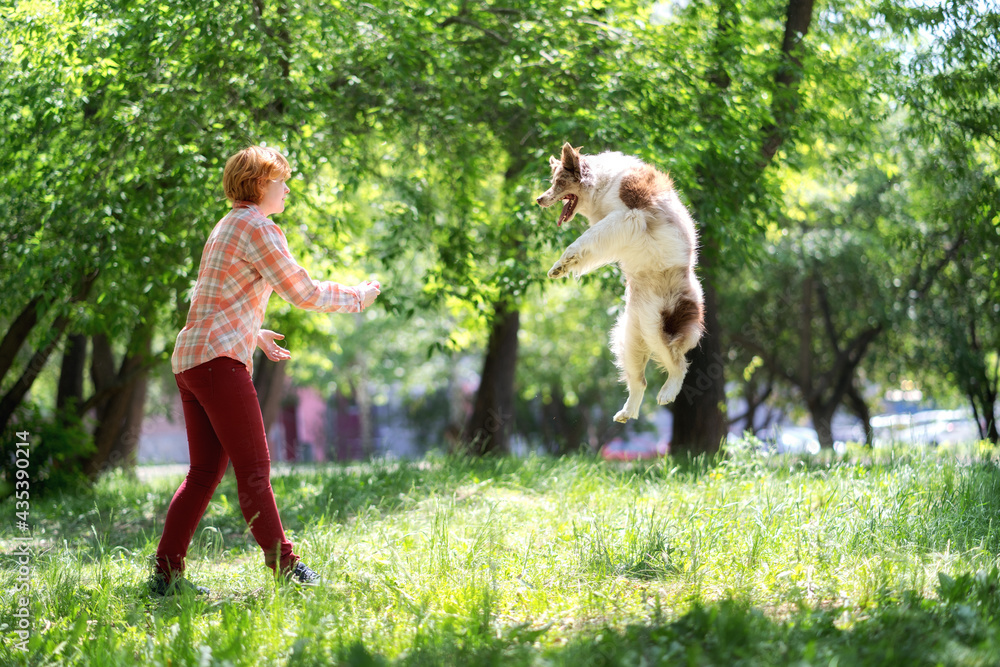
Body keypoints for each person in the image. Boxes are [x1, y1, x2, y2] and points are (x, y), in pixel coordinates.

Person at [149, 145, 380, 596]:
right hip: (217, 363)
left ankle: (166, 575)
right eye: (281, 181)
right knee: (254, 471)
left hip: (193, 359)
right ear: (259, 184)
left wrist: (252, 332)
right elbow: (303, 291)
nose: (288, 188)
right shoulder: (259, 227)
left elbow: (215, 298)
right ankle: (288, 570)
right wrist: (357, 296)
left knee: (202, 474)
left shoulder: (227, 225)